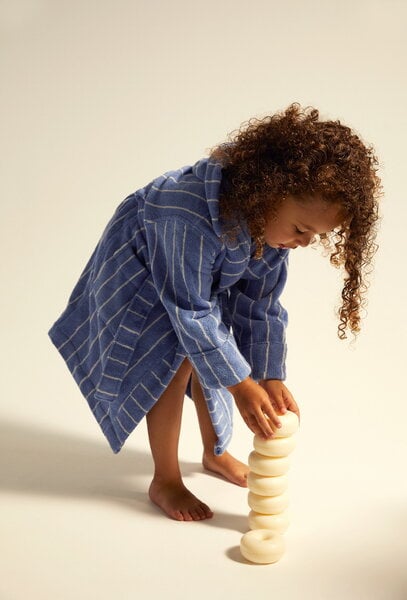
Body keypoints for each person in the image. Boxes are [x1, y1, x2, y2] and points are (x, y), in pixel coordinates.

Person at [48, 103, 381, 521]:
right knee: (173, 357)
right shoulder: (186, 214)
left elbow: (261, 306)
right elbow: (187, 309)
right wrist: (242, 385)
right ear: (268, 194)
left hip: (198, 274)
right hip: (146, 266)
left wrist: (268, 374)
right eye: (301, 230)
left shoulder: (271, 232)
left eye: (317, 236)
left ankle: (214, 452)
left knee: (218, 350)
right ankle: (165, 479)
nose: (305, 243)